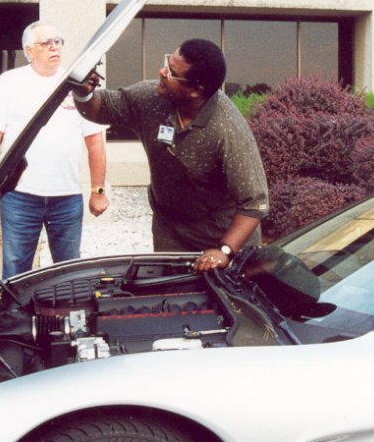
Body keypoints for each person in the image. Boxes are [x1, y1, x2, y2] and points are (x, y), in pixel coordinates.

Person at [72, 38, 268, 272]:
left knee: (221, 302)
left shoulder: (227, 129)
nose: (162, 72)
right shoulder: (150, 97)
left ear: (196, 90)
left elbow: (255, 203)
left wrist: (224, 251)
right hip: (170, 228)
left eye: (172, 72)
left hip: (219, 236)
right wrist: (83, 94)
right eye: (167, 63)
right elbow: (101, 108)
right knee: (172, 296)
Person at [0, 21, 109, 278]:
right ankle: (16, 318)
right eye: (46, 43)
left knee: (68, 272)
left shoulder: (78, 86)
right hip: (19, 198)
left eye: (57, 41)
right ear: (28, 50)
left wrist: (98, 190)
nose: (54, 47)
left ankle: (66, 318)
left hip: (67, 199)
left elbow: (95, 143)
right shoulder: (9, 83)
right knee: (16, 271)